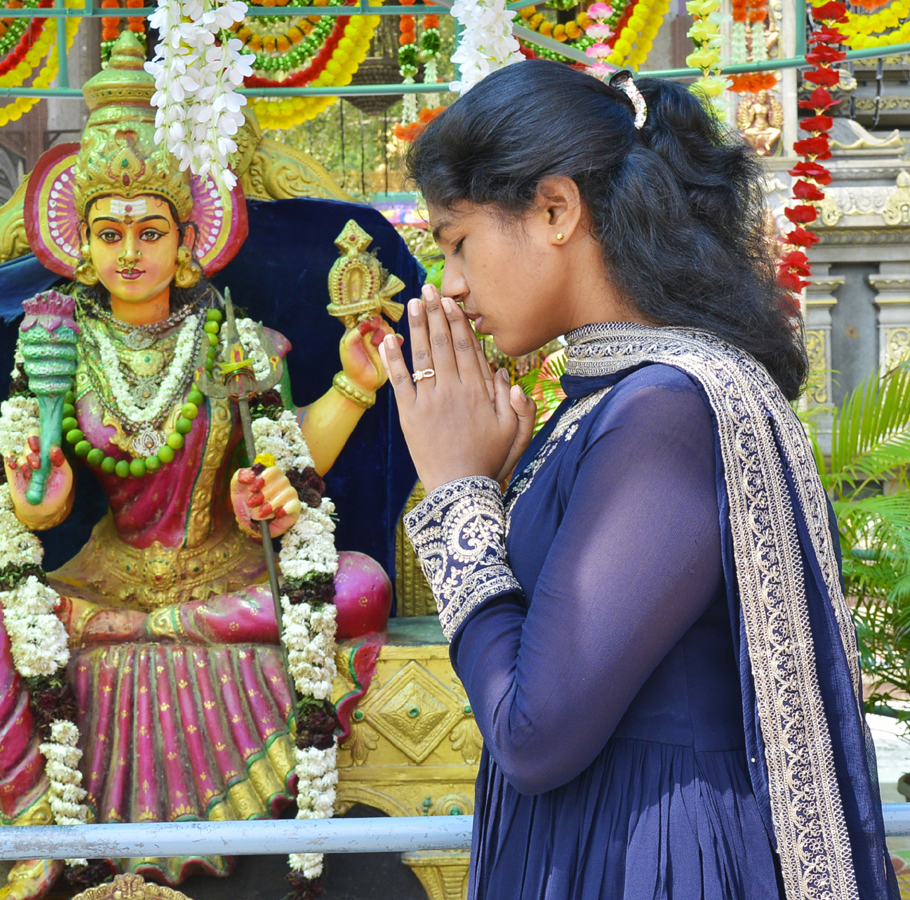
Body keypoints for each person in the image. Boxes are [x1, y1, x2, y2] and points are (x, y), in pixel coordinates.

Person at [0, 35, 394, 899]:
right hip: (102, 590)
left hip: (221, 576)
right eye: (110, 233)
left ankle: (163, 686)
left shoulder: (235, 342)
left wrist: (352, 384)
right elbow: (41, 505)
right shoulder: (53, 347)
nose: (130, 252)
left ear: (189, 242)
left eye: (151, 232)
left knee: (355, 584)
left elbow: (287, 458)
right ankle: (40, 832)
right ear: (79, 245)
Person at [381, 63, 899, 899]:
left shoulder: (664, 409)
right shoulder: (615, 404)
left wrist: (455, 495)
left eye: (456, 240)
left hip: (656, 859)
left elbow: (535, 734)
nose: (452, 285)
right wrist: (505, 483)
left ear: (555, 209)